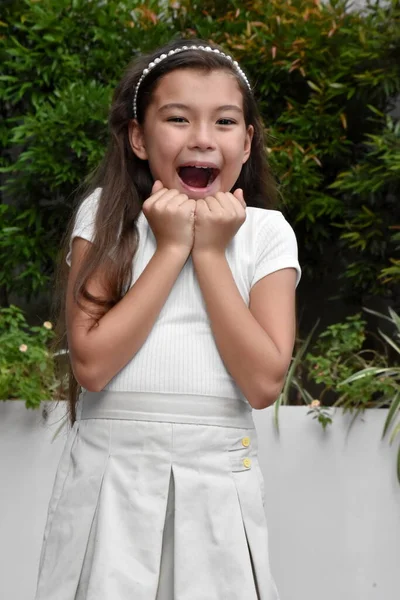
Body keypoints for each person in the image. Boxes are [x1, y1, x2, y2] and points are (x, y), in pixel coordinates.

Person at [35, 38, 301, 600]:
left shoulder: (267, 232)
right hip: (112, 476)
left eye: (225, 121)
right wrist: (173, 247)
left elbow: (262, 382)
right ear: (138, 137)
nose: (202, 137)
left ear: (247, 142)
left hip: (218, 480)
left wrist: (209, 253)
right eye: (177, 118)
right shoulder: (107, 215)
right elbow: (92, 364)